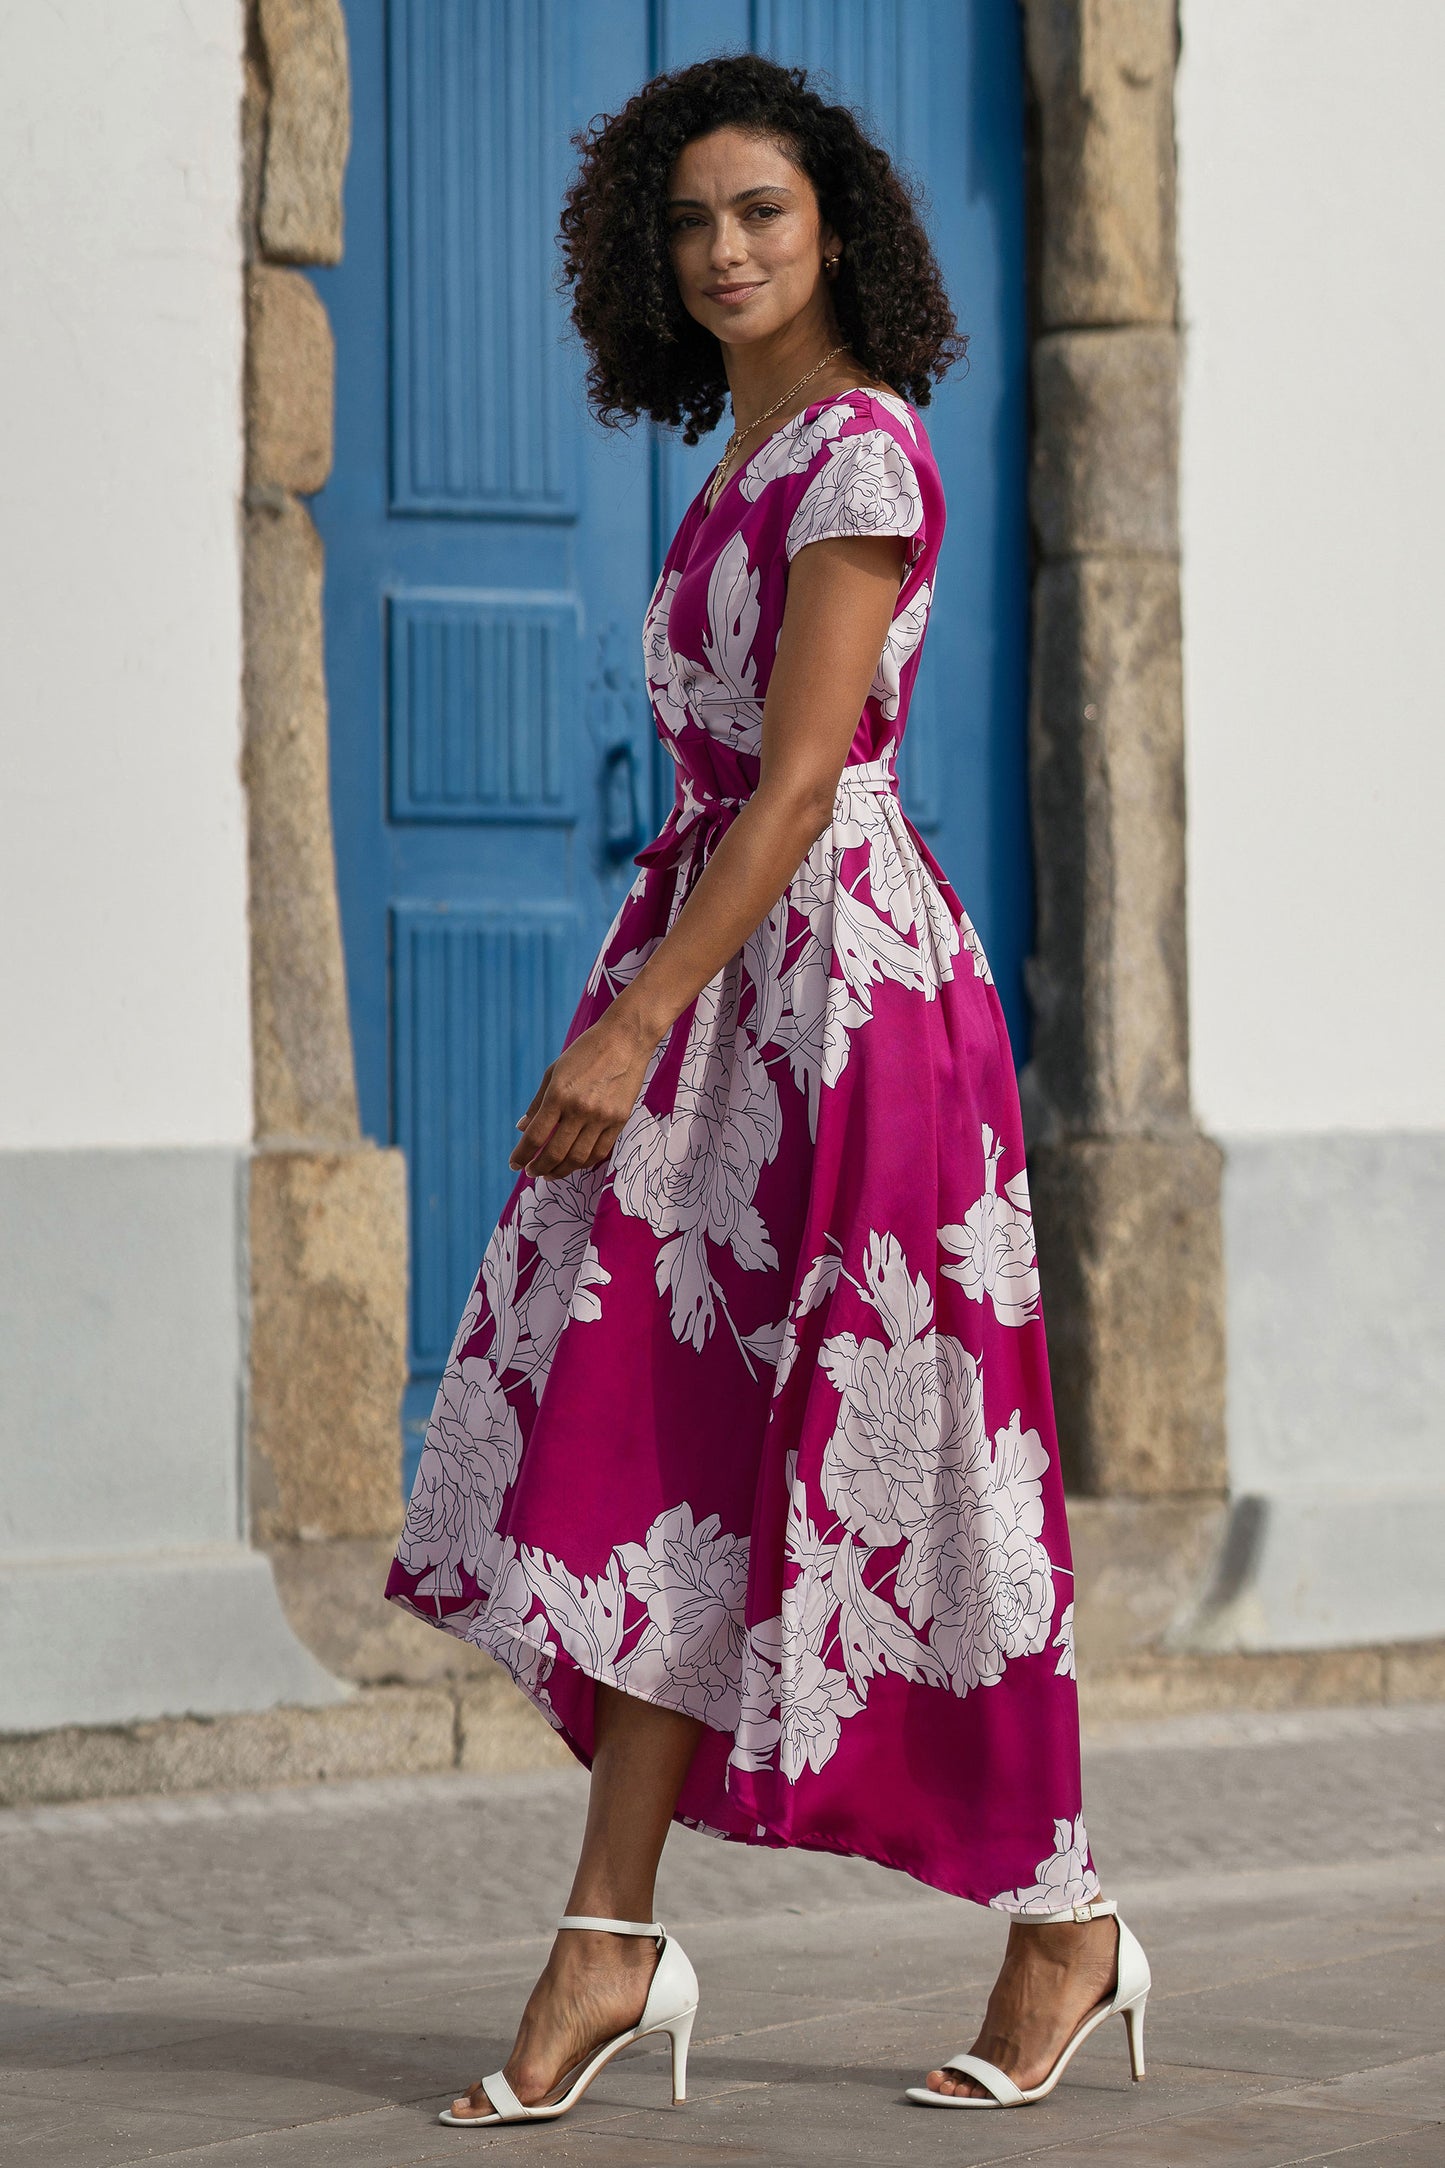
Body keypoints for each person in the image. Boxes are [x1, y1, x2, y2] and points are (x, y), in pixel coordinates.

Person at [384, 51, 1150, 2128]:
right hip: (734, 986)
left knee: (917, 1477)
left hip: (844, 1007)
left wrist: (634, 1023)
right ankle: (607, 1942)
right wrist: (656, 1004)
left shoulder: (864, 457)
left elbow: (804, 776)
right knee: (666, 1467)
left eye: (763, 216)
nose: (725, 251)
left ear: (841, 232)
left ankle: (1064, 1916)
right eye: (693, 222)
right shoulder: (748, 446)